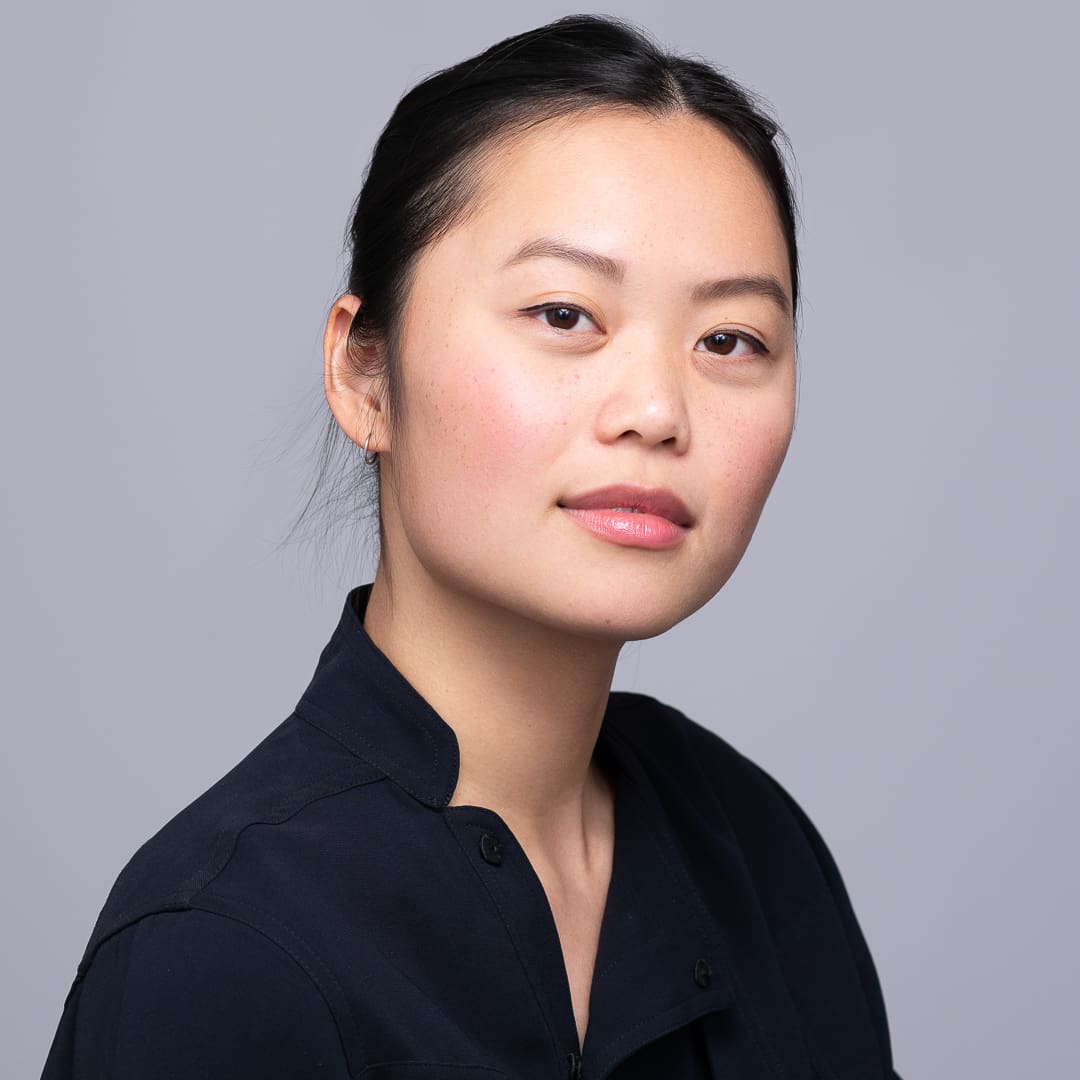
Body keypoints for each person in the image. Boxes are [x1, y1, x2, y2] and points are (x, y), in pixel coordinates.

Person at [42, 14, 900, 1079]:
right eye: (562, 313)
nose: (655, 408)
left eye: (729, 340)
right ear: (365, 375)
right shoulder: (220, 951)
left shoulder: (755, 848)